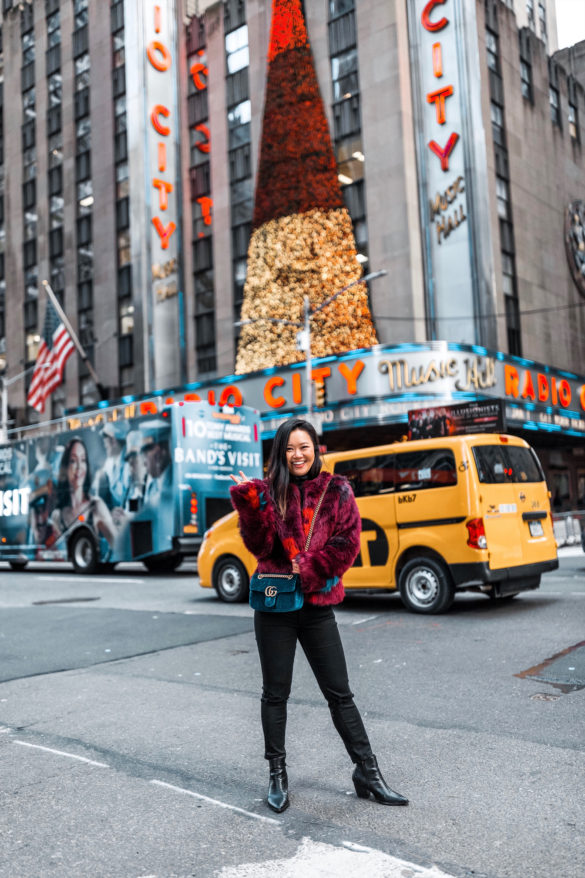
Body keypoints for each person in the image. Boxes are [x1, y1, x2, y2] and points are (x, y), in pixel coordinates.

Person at [229, 417, 408, 814]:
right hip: (276, 605)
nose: (297, 455)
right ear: (281, 453)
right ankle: (277, 775)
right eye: (289, 448)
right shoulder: (268, 490)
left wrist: (307, 567)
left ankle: (368, 773)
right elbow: (259, 548)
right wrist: (249, 503)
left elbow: (348, 544)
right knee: (276, 693)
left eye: (304, 447)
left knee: (340, 694)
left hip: (318, 607)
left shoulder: (337, 490)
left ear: (316, 449)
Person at [52, 437, 117, 549]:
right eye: (73, 461)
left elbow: (118, 545)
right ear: (65, 467)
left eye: (83, 460)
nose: (79, 467)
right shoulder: (57, 515)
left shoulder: (96, 506)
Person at [93, 421, 130, 508]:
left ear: (113, 440)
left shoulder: (130, 462)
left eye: (104, 437)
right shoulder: (110, 461)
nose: (104, 443)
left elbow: (132, 495)